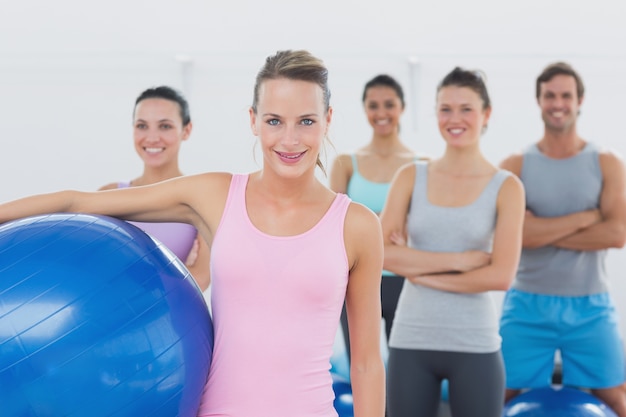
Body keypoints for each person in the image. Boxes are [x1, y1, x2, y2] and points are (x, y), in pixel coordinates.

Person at [0, 49, 386, 417]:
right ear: (252, 119)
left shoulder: (357, 225)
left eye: (306, 120)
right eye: (274, 121)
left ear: (328, 119)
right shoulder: (215, 195)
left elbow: (367, 362)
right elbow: (76, 203)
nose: (289, 139)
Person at [379, 67, 525, 417]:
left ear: (486, 114)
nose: (454, 118)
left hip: (474, 341)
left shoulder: (506, 187)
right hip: (411, 338)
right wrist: (460, 260)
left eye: (466, 109)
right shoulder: (411, 175)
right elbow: (381, 254)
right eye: (445, 109)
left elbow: (500, 276)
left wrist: (419, 270)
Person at [498, 61, 626, 416]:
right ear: (539, 101)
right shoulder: (515, 165)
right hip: (526, 305)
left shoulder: (607, 162)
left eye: (566, 96)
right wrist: (587, 218)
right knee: (496, 394)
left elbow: (617, 234)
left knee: (617, 397)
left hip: (591, 306)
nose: (558, 103)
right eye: (550, 96)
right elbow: (512, 236)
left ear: (579, 100)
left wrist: (540, 230)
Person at [329, 74, 419, 362]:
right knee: (362, 366)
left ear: (402, 108)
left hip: (404, 280)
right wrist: (390, 221)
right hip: (357, 279)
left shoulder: (421, 166)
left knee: (403, 374)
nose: (381, 113)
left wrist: (361, 220)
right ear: (365, 109)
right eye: (373, 105)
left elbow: (421, 227)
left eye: (389, 104)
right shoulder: (345, 163)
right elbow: (333, 225)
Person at [98, 85, 211, 292]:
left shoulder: (199, 199)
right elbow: (95, 267)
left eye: (165, 126)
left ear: (186, 130)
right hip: (111, 318)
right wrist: (177, 273)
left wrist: (127, 278)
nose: (152, 138)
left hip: (168, 321)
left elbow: (200, 280)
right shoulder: (109, 194)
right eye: (142, 126)